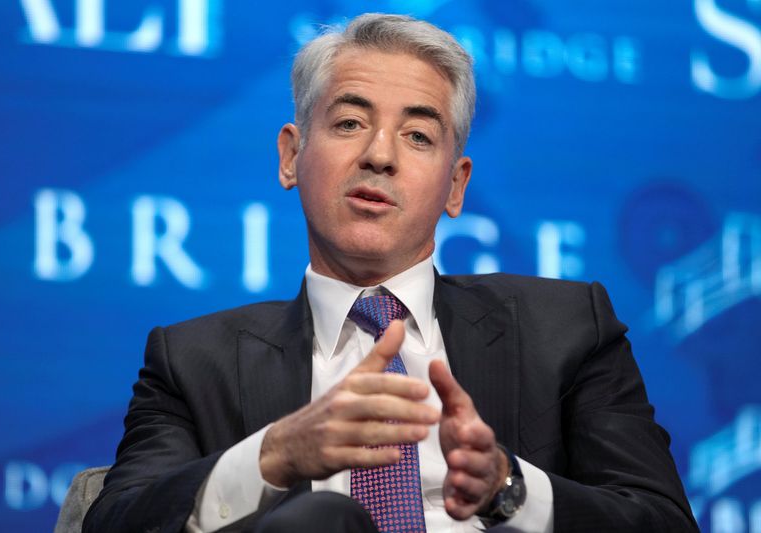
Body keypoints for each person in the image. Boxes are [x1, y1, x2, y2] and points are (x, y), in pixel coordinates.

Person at [83, 13, 698, 533]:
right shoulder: (193, 360)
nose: (379, 155)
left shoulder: (566, 329)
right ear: (292, 156)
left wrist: (507, 488)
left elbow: (661, 520)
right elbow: (117, 520)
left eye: (418, 136)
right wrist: (277, 454)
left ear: (456, 186)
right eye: (350, 123)